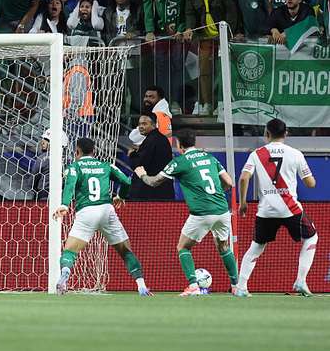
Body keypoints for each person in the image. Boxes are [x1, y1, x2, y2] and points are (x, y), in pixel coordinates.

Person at [135, 129, 240, 296]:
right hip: (222, 210)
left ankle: (193, 286)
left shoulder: (180, 161)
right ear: (194, 142)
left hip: (202, 212)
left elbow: (154, 182)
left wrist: (142, 175)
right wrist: (215, 194)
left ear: (179, 144)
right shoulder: (209, 157)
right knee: (224, 246)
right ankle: (236, 286)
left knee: (183, 247)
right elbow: (228, 182)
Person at [53, 137, 152, 296]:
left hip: (86, 212)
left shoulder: (74, 167)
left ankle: (65, 273)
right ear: (94, 151)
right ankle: (141, 286)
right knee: (125, 251)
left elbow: (70, 185)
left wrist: (64, 205)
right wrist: (120, 196)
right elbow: (126, 181)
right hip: (107, 210)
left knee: (69, 251)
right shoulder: (106, 165)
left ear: (76, 151)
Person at [237, 119, 318, 297]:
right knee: (311, 238)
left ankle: (241, 287)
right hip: (290, 208)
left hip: (266, 210)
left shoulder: (257, 154)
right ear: (286, 133)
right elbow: (310, 183)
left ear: (267, 134)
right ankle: (300, 281)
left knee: (256, 246)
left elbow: (244, 178)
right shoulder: (296, 154)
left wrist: (243, 203)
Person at [127, 113, 174, 200]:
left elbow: (139, 165)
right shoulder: (161, 138)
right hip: (163, 191)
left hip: (149, 193)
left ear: (153, 125)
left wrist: (132, 154)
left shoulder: (150, 140)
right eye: (139, 124)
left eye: (144, 124)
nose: (141, 126)